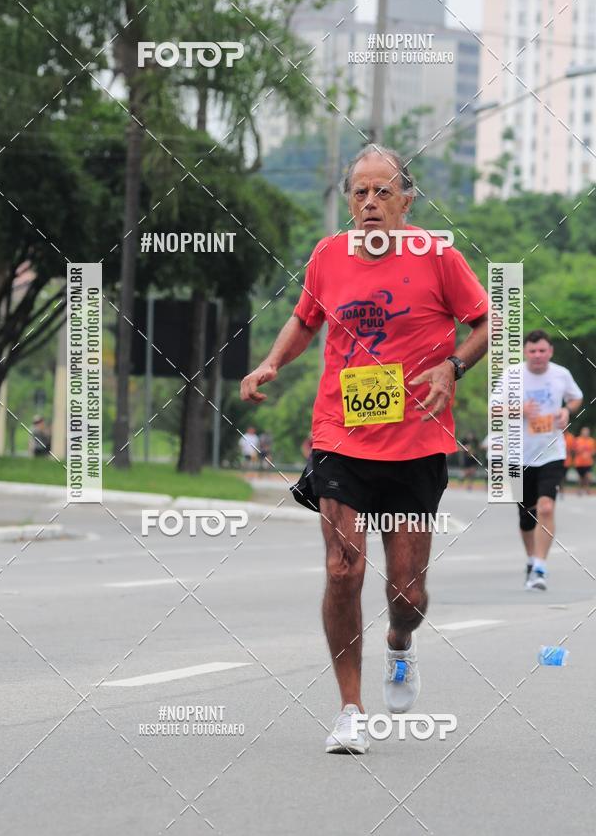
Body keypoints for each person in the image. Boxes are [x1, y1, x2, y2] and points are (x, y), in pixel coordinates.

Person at [240, 144, 489, 754]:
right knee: (341, 567)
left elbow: (488, 322)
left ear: (407, 199)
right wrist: (272, 362)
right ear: (348, 200)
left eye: (383, 191)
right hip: (341, 436)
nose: (370, 202)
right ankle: (349, 709)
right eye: (360, 192)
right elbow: (306, 319)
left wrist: (453, 367)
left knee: (407, 593)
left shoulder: (439, 256)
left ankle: (400, 644)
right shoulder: (329, 255)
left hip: (416, 440)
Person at [520, 330, 583, 590]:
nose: (537, 355)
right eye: (532, 351)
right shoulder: (512, 376)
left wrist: (566, 410)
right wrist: (519, 409)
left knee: (545, 507)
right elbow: (494, 408)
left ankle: (539, 568)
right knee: (526, 517)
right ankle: (531, 559)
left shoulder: (561, 374)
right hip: (519, 454)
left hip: (552, 452)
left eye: (542, 350)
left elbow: (576, 397)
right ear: (525, 352)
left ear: (550, 351)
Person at [573, 426, 595, 496]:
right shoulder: (577, 440)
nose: (585, 433)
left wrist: (589, 454)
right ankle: (579, 490)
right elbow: (574, 450)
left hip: (588, 462)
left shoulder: (592, 441)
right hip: (579, 462)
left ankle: (588, 489)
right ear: (581, 432)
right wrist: (580, 451)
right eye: (584, 431)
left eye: (587, 431)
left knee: (588, 476)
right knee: (580, 477)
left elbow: (594, 451)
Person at [560, 429, 576, 496]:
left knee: (563, 475)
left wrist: (572, 458)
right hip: (558, 460)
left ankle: (561, 488)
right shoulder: (558, 435)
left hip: (567, 460)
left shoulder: (571, 437)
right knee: (558, 475)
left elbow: (573, 449)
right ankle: (559, 488)